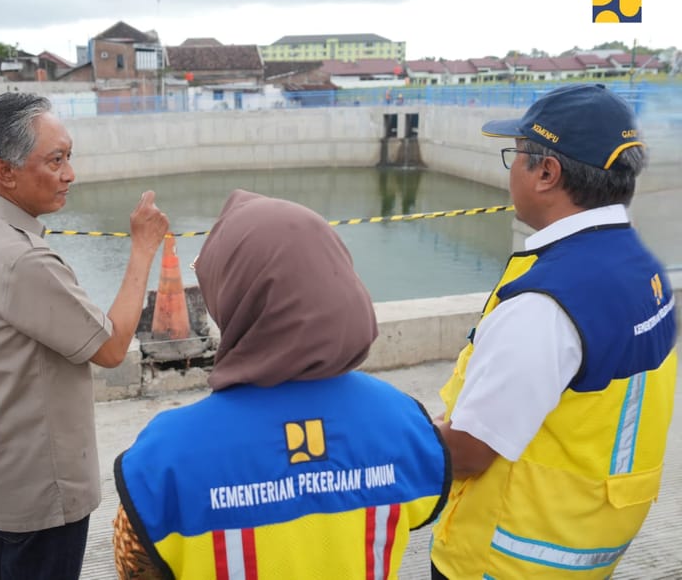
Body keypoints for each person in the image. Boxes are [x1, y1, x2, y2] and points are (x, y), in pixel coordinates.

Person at [113, 189, 451, 579]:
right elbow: (422, 507)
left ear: (236, 295)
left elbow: (135, 565)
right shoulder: (405, 423)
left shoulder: (165, 455)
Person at [431, 84, 677, 579]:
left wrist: (388, 432)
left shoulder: (545, 303)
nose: (510, 172)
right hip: (588, 544)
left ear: (547, 172)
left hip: (503, 560)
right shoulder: (642, 269)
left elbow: (471, 453)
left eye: (515, 156)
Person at [0, 92, 169, 580]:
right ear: (5, 171)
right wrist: (143, 249)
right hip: (41, 484)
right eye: (55, 160)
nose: (70, 174)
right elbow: (110, 347)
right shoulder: (22, 260)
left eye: (69, 157)